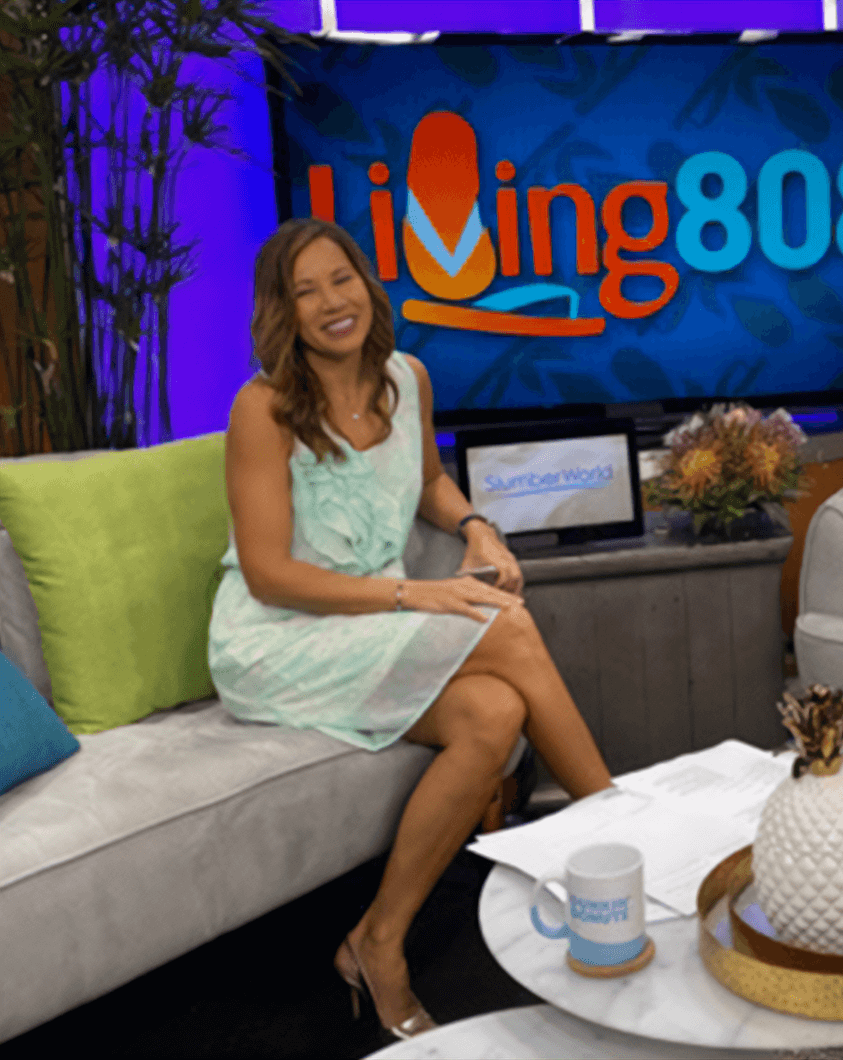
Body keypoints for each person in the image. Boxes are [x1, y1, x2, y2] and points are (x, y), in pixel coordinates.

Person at [208, 218, 613, 1040]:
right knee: (505, 627)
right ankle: (617, 827)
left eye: (341, 279)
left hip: (368, 619)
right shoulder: (263, 409)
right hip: (279, 639)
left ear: (367, 283)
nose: (330, 302)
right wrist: (415, 597)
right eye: (305, 290)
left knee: (495, 714)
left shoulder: (407, 377)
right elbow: (268, 574)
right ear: (282, 312)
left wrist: (474, 527)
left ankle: (376, 940)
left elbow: (425, 478)